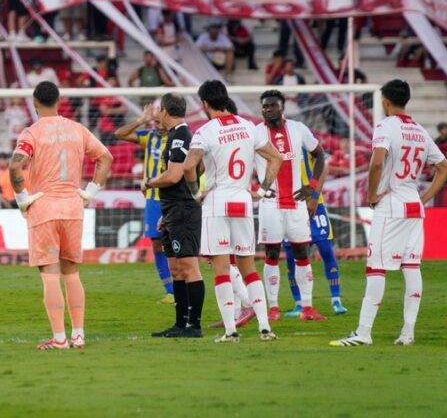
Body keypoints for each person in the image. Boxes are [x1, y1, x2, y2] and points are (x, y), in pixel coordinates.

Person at [332, 80, 447, 347]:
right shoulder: (420, 130)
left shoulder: (386, 126)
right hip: (414, 206)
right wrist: (423, 198)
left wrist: (371, 195)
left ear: (385, 102)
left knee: (376, 267)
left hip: (391, 205)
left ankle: (363, 333)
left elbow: (376, 164)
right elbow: (445, 168)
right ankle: (408, 333)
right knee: (412, 267)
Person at [9, 82, 112, 350]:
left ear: (34, 103)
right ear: (58, 100)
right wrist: (90, 192)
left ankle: (59, 339)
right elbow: (106, 158)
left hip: (44, 208)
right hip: (73, 208)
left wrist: (22, 199)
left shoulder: (32, 133)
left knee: (50, 275)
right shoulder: (77, 129)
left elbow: (15, 166)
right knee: (72, 273)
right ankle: (78, 335)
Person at [183, 80, 284, 343]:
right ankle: (265, 328)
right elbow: (277, 157)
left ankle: (230, 331)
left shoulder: (205, 131)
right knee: (249, 268)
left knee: (221, 270)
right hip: (243, 201)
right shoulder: (249, 126)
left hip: (217, 203)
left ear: (205, 103)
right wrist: (262, 190)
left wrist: (195, 193)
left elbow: (188, 166)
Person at [254, 90, 328, 323]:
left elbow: (320, 155)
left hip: (296, 203)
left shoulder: (298, 129)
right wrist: (257, 187)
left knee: (301, 253)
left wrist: (312, 187)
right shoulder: (256, 133)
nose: (268, 110)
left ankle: (307, 307)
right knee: (272, 254)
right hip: (270, 204)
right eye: (265, 106)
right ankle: (273, 307)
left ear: (282, 107)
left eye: (272, 105)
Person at [140, 94, 205, 338]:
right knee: (176, 268)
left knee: (189, 267)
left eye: (159, 110)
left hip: (182, 210)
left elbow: (174, 175)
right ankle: (180, 324)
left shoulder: (180, 136)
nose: (157, 114)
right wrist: (167, 212)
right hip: (173, 209)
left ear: (166, 111)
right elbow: (200, 166)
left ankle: (194, 326)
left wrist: (149, 182)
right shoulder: (182, 135)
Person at [115, 102, 174, 304]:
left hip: (172, 199)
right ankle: (171, 291)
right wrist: (141, 120)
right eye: (155, 122)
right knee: (157, 245)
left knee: (175, 245)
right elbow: (119, 134)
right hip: (153, 200)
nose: (158, 125)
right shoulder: (150, 137)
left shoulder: (178, 139)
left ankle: (182, 288)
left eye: (160, 121)